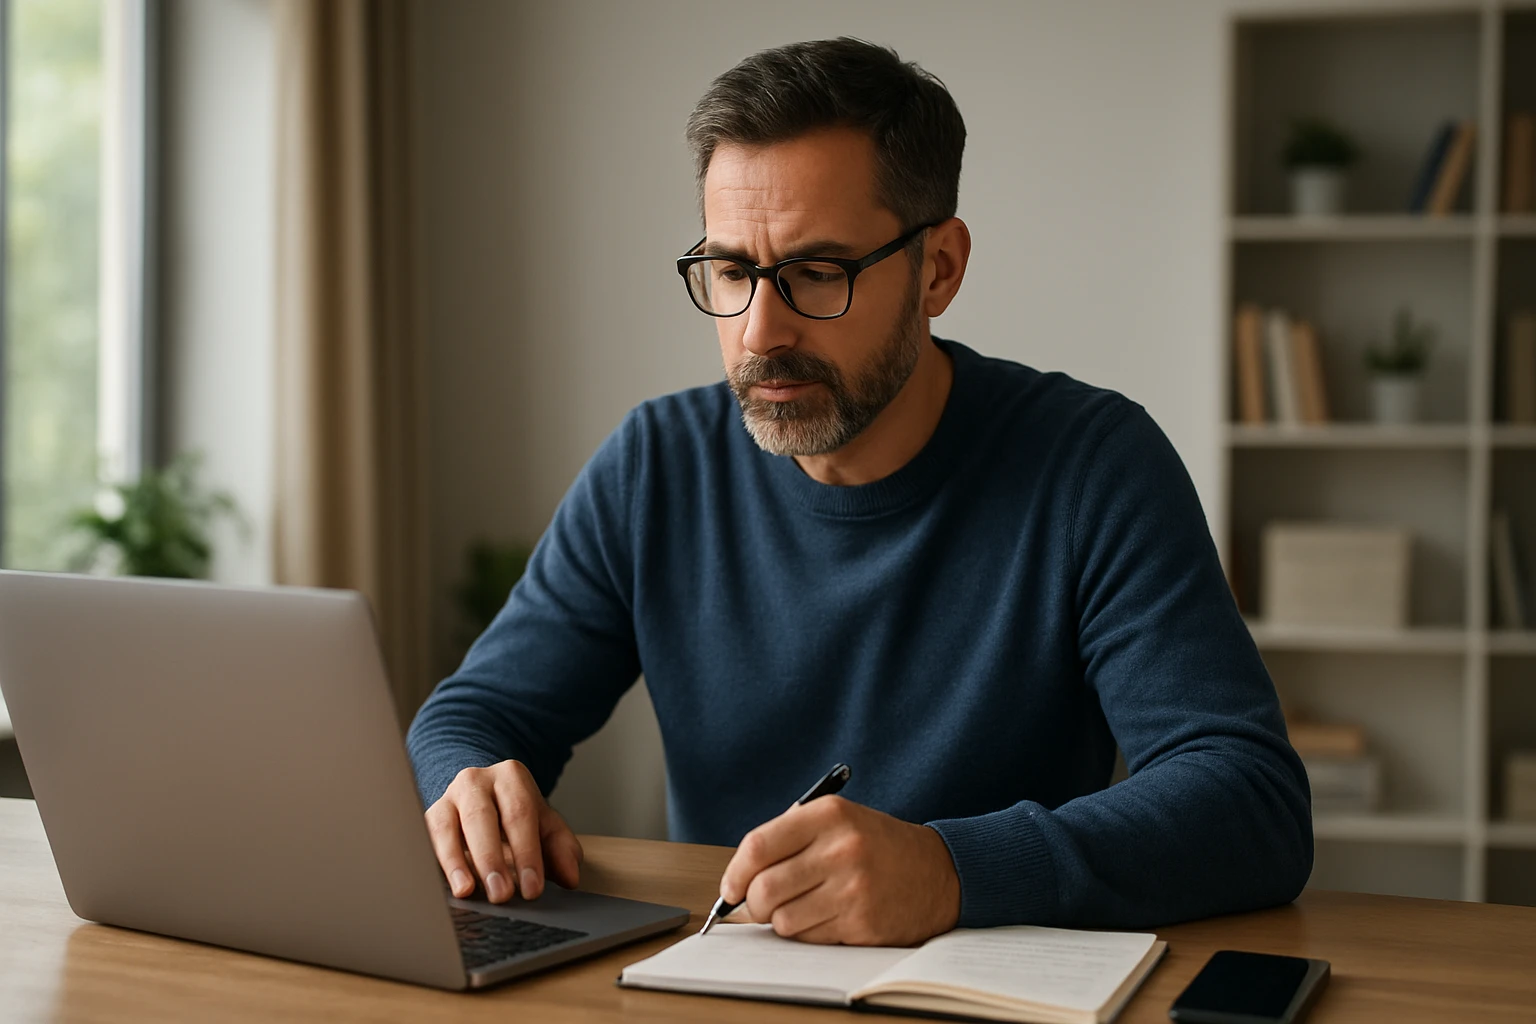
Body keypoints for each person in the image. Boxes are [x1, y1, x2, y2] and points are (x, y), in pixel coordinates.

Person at [407, 36, 1311, 948]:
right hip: (724, 981)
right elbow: (474, 716)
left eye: (816, 273)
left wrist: (952, 871)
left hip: (983, 990)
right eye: (732, 271)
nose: (760, 331)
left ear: (938, 269)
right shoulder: (656, 466)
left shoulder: (1093, 467)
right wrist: (469, 781)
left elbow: (1249, 797)